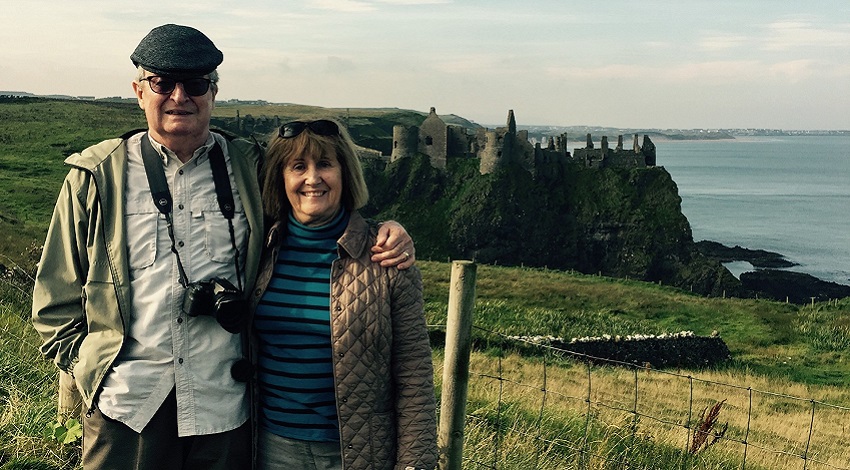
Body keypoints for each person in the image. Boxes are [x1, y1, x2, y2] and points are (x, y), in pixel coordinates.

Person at [31, 24, 414, 470]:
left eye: (195, 84)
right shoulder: (94, 177)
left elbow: (315, 206)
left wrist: (382, 231)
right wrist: (95, 372)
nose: (179, 96)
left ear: (213, 92)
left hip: (224, 410)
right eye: (162, 83)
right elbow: (54, 303)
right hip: (128, 408)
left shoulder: (249, 166)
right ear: (139, 92)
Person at [250, 118, 437, 470]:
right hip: (270, 450)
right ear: (280, 177)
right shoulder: (257, 249)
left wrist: (416, 462)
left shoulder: (385, 255)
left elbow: (413, 374)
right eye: (298, 167)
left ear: (345, 173)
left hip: (357, 454)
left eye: (324, 164)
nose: (312, 178)